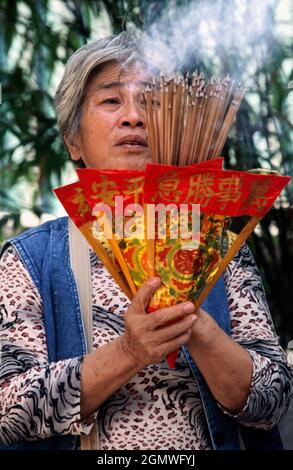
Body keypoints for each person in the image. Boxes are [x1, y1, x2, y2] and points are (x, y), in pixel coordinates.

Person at [0, 30, 292, 451]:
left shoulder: (218, 247)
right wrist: (129, 351)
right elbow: (9, 412)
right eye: (111, 100)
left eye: (152, 101)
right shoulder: (31, 260)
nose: (134, 116)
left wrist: (199, 330)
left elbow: (275, 399)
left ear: (173, 129)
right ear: (73, 140)